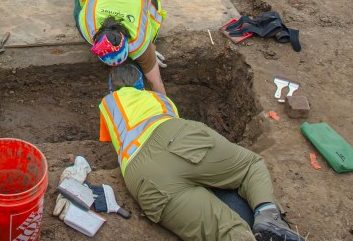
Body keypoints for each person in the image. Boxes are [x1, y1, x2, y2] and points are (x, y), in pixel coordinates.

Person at [101, 64, 306, 241]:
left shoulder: (107, 104)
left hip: (141, 172)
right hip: (178, 137)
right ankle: (267, 215)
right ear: (140, 85)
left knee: (223, 230)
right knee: (249, 166)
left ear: (112, 89)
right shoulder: (160, 99)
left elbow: (111, 139)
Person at [75, 0, 167, 94]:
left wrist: (149, 52)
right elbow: (78, 11)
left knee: (153, 21)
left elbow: (157, 83)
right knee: (81, 1)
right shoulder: (88, 26)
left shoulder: (139, 41)